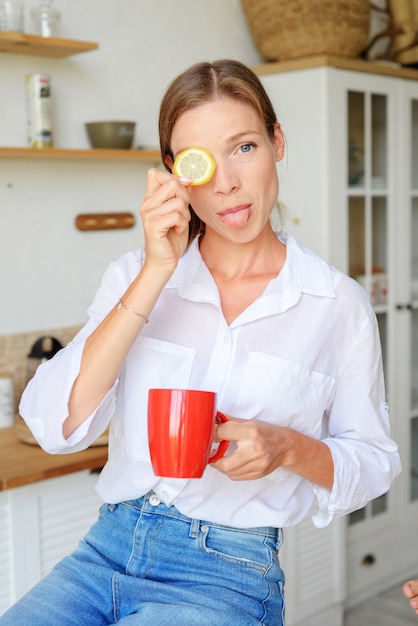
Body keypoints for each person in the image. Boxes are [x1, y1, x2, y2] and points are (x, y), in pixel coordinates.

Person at [0, 59, 401, 626]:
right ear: (174, 174)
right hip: (104, 552)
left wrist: (287, 448)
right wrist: (156, 270)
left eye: (243, 147)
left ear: (277, 141)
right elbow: (54, 426)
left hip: (227, 571)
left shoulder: (336, 304)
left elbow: (375, 462)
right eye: (201, 162)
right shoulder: (135, 276)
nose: (226, 183)